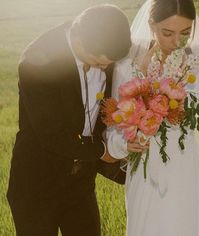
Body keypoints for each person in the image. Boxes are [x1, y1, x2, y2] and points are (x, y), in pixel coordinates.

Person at [107, 0, 199, 235]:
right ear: (151, 26)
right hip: (145, 176)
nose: (176, 42)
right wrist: (125, 143)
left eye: (185, 34)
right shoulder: (126, 67)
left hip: (186, 170)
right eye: (167, 33)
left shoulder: (198, 66)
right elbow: (112, 136)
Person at [6, 4, 131, 236]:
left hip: (81, 184)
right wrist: (102, 151)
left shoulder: (106, 49)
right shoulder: (37, 61)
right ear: (81, 41)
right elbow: (50, 133)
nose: (106, 67)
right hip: (36, 185)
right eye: (100, 61)